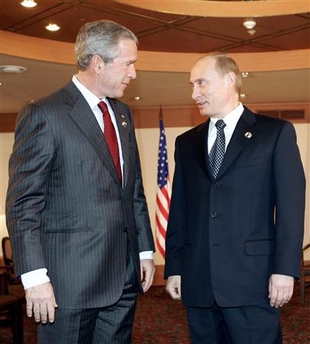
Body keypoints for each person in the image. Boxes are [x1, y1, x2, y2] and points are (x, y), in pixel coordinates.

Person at [6, 20, 155, 344]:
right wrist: (34, 278)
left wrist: (144, 251)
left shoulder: (124, 115)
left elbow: (133, 193)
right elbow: (22, 203)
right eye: (128, 63)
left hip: (124, 279)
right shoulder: (44, 114)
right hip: (69, 285)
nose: (133, 73)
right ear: (98, 62)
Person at [164, 52, 305, 344]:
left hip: (253, 280)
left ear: (230, 80)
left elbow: (291, 207)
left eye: (201, 83)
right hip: (199, 278)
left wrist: (285, 269)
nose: (194, 93)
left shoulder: (274, 133)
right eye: (191, 85)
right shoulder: (186, 142)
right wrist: (175, 268)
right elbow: (179, 210)